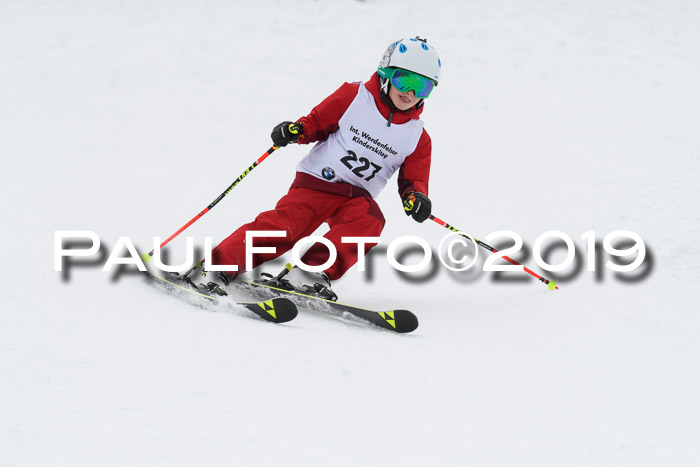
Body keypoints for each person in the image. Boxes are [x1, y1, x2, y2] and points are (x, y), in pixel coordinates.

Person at [192, 36, 442, 300]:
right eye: (405, 81)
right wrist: (296, 131)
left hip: (357, 197)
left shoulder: (417, 138)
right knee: (284, 230)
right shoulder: (355, 97)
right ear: (386, 74)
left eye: (422, 87)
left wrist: (416, 198)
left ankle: (308, 273)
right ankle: (216, 265)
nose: (410, 93)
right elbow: (316, 123)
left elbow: (413, 181)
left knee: (369, 222)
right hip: (317, 182)